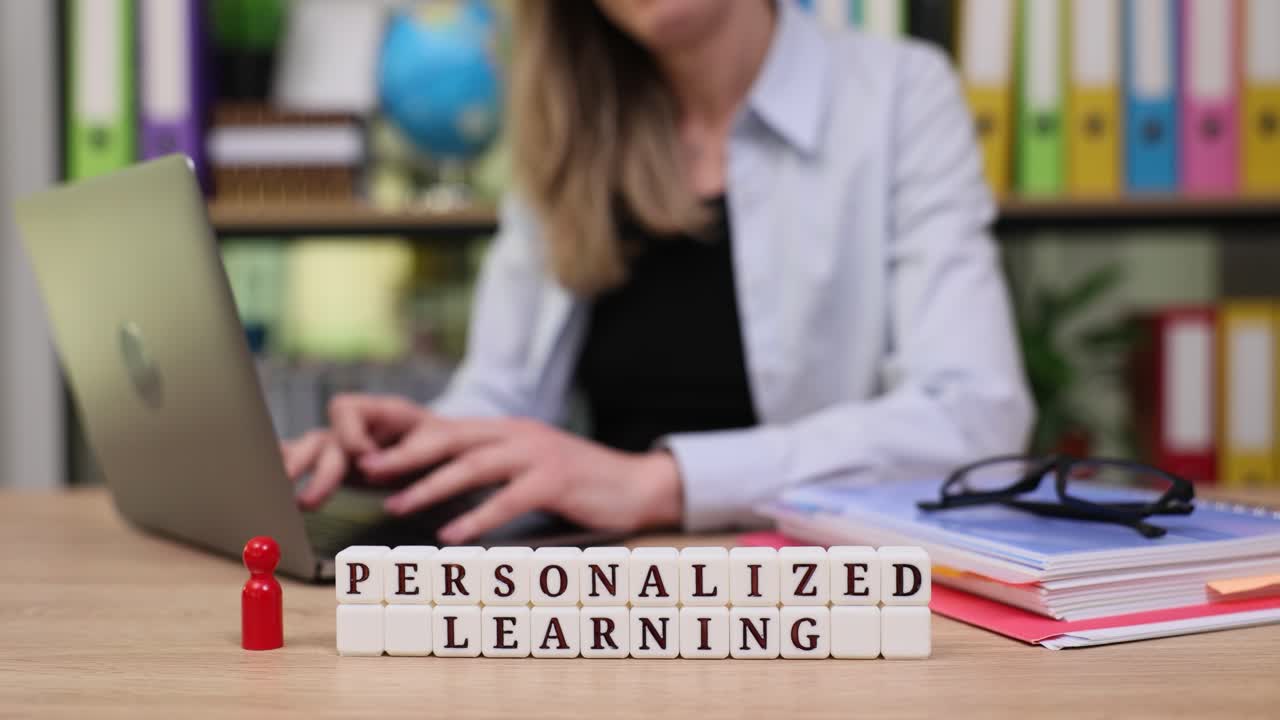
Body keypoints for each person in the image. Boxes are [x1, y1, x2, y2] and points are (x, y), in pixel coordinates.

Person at [282, 0, 1033, 543]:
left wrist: (657, 484)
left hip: (814, 597)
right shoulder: (567, 127)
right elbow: (505, 395)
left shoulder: (901, 96)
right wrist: (422, 449)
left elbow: (972, 417)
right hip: (598, 588)